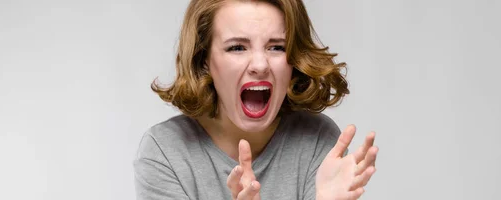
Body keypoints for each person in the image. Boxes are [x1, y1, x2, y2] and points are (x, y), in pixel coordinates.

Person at [133, 0, 379, 199]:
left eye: (277, 47)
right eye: (237, 47)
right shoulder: (165, 150)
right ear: (203, 58)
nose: (260, 65)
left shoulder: (317, 140)